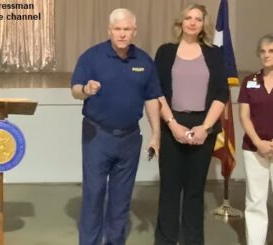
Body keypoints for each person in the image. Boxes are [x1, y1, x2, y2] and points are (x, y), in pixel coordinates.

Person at [71, 8, 162, 245]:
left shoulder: (144, 61)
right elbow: (75, 90)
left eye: (127, 29)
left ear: (134, 32)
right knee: (94, 195)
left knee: (121, 199)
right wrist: (86, 90)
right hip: (97, 137)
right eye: (118, 29)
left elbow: (152, 98)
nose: (122, 34)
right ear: (110, 30)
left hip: (131, 139)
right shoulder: (91, 57)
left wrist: (156, 135)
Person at [153, 4, 229, 245]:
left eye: (198, 19)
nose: (193, 22)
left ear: (203, 25)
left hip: (202, 126)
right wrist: (173, 125)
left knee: (195, 192)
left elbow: (221, 93)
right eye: (188, 18)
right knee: (169, 191)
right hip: (172, 122)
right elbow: (157, 92)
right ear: (181, 22)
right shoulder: (165, 52)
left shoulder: (214, 53)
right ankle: (165, 241)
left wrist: (205, 128)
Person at [238, 34, 273, 245]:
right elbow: (244, 115)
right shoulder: (250, 81)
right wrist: (259, 143)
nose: (267, 55)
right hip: (254, 148)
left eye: (271, 51)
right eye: (263, 51)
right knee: (255, 200)